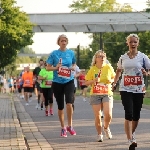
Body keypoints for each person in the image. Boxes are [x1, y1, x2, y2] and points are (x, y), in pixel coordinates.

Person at [112, 33, 150, 150]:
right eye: (131, 42)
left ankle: (132, 134)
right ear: (127, 43)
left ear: (137, 43)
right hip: (125, 88)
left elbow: (149, 71)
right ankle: (130, 140)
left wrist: (146, 73)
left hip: (138, 89)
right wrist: (115, 82)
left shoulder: (143, 57)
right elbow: (118, 70)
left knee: (136, 115)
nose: (133, 44)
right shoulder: (123, 57)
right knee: (129, 113)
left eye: (135, 42)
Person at [46, 34, 76, 138]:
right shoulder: (54, 54)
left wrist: (72, 68)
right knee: (60, 106)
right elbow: (48, 68)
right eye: (61, 41)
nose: (63, 42)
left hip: (69, 81)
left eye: (65, 41)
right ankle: (63, 127)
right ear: (58, 42)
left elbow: (74, 64)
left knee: (69, 103)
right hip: (57, 82)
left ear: (67, 42)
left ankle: (70, 125)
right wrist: (56, 67)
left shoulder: (71, 53)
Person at [85, 50, 115, 142]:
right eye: (100, 56)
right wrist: (94, 80)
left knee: (108, 114)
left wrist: (111, 80)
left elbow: (113, 77)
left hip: (107, 93)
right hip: (95, 94)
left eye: (103, 56)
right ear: (96, 59)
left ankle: (106, 127)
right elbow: (86, 82)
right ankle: (99, 134)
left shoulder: (108, 67)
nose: (102, 58)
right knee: (98, 115)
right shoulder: (92, 69)